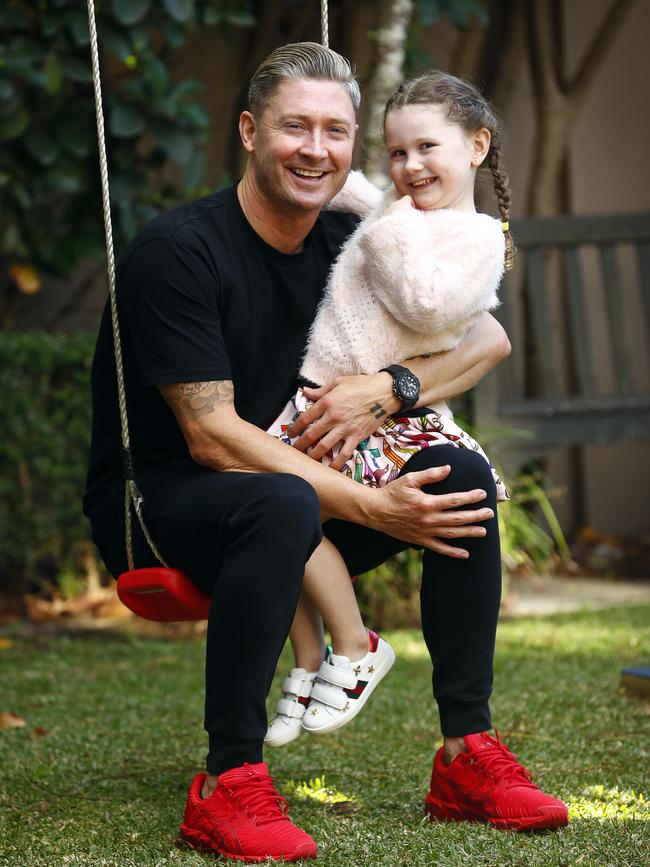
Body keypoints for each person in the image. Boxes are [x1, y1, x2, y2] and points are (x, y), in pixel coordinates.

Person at [83, 42, 566, 863]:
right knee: (281, 500)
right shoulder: (180, 251)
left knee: (465, 475)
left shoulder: (356, 232)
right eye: (293, 127)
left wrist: (391, 388)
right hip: (171, 503)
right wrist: (374, 507)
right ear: (248, 130)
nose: (316, 149)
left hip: (300, 481)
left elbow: (487, 335)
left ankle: (465, 755)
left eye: (335, 131)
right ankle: (228, 779)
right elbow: (212, 436)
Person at [264, 71, 512, 749]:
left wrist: (388, 223)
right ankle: (313, 658)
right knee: (263, 505)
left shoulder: (474, 238)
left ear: (476, 147)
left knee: (284, 500)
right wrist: (314, 154)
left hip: (389, 422)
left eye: (427, 147)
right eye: (397, 152)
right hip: (319, 400)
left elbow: (426, 304)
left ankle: (359, 648)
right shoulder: (399, 213)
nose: (409, 167)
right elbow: (354, 188)